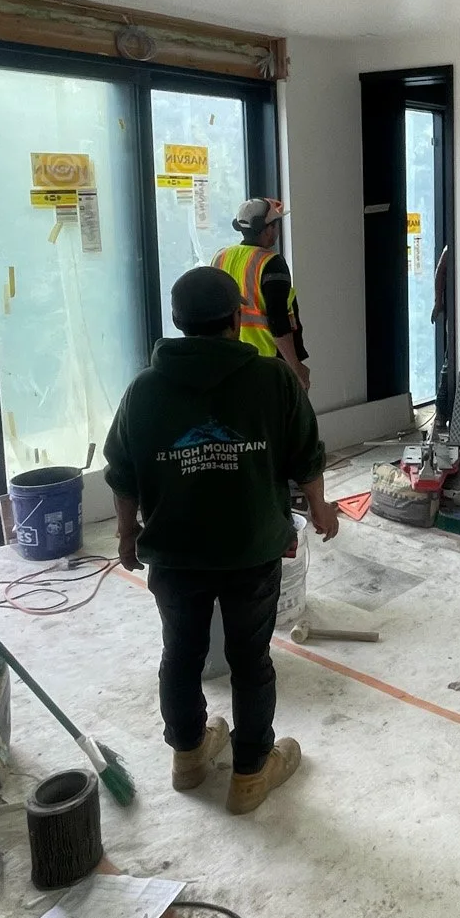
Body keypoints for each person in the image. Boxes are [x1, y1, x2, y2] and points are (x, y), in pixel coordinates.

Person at [103, 266, 339, 814]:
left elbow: (123, 473)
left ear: (178, 323)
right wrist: (322, 509)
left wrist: (125, 536)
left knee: (180, 655)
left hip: (176, 553)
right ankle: (251, 773)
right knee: (250, 659)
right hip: (253, 548)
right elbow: (307, 452)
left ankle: (188, 756)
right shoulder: (272, 379)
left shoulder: (144, 389)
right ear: (236, 318)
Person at [213, 197, 310, 391]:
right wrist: (296, 368)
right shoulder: (271, 262)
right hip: (269, 361)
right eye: (276, 225)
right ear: (269, 229)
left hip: (233, 358)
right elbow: (278, 321)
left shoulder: (221, 256)